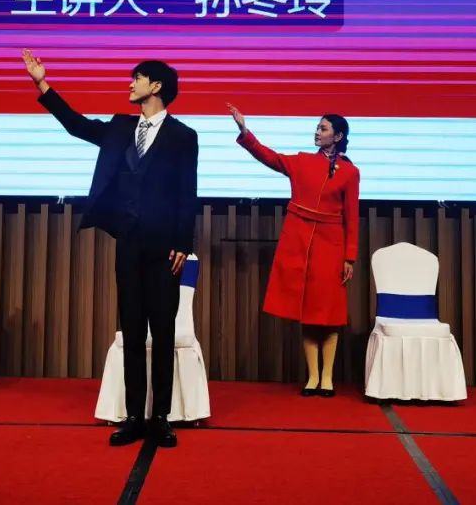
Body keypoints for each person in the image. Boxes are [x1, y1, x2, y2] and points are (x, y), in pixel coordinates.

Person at [23, 50, 197, 448]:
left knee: (163, 333)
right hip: (128, 244)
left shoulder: (183, 136)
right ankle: (134, 416)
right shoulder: (121, 127)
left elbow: (188, 192)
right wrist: (42, 83)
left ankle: (161, 417)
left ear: (156, 86)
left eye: (137, 78)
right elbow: (77, 125)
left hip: (164, 249)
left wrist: (182, 243)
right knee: (132, 331)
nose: (130, 84)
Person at [228, 105, 359, 397]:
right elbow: (269, 156)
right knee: (309, 313)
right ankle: (313, 377)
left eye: (323, 128)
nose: (317, 132)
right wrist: (245, 131)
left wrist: (349, 257)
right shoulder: (301, 162)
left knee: (330, 312)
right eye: (317, 127)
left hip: (331, 246)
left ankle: (328, 377)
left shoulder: (350, 172)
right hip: (300, 242)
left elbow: (352, 217)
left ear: (337, 136)